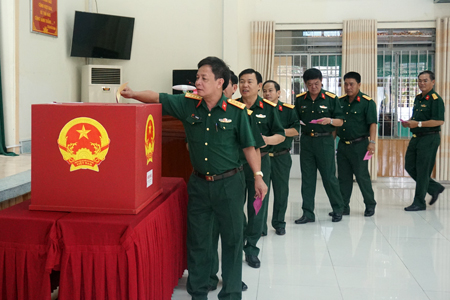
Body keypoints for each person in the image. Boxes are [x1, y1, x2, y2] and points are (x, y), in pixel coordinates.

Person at [121, 57, 267, 300]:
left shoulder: (237, 112)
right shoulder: (188, 105)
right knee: (198, 241)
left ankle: (231, 293)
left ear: (220, 82)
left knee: (232, 241)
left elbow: (251, 147)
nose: (197, 83)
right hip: (199, 185)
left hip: (230, 185)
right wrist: (133, 93)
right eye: (197, 78)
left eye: (203, 78)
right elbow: (157, 97)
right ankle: (198, 293)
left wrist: (259, 177)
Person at [237, 69, 285, 269]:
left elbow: (280, 135)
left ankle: (251, 248)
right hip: (236, 165)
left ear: (259, 86)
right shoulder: (232, 106)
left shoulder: (269, 108)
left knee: (257, 208)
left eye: (249, 81)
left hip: (261, 163)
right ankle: (239, 239)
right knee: (234, 207)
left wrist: (266, 140)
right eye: (241, 81)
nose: (245, 85)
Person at [208, 70, 250, 293]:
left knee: (234, 229)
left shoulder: (238, 112)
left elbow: (249, 145)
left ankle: (232, 278)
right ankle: (210, 275)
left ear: (230, 88)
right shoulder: (205, 111)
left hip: (236, 176)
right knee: (210, 232)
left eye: (227, 86)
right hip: (210, 179)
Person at [294, 68, 345, 224]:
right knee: (307, 178)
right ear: (305, 84)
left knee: (329, 177)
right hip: (307, 141)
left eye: (316, 83)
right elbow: (295, 119)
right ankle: (308, 213)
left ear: (321, 81)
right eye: (310, 84)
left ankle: (338, 209)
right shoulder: (300, 99)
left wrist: (329, 120)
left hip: (325, 141)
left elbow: (340, 121)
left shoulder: (331, 98)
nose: (314, 87)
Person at [335, 72, 377, 217]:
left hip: (360, 145)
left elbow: (372, 123)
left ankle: (370, 204)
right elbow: (336, 125)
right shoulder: (339, 102)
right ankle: (343, 206)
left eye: (351, 84)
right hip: (343, 145)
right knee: (343, 177)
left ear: (359, 85)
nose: (348, 87)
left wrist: (372, 142)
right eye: (345, 84)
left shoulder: (367, 102)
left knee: (362, 176)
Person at [402, 70, 445, 211]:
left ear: (432, 82)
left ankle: (419, 202)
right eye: (419, 80)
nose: (422, 83)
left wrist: (418, 124)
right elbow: (417, 118)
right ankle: (434, 187)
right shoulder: (418, 98)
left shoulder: (436, 99)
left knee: (422, 170)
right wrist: (409, 122)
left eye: (425, 80)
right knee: (409, 166)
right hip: (416, 137)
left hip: (429, 138)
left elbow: (439, 121)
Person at [262, 80, 299, 235]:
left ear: (278, 93)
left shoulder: (288, 110)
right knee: (261, 193)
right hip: (263, 157)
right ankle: (260, 226)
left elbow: (296, 130)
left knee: (281, 191)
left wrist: (279, 132)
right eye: (264, 91)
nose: (267, 93)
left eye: (270, 90)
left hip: (281, 157)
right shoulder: (259, 109)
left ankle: (279, 223)